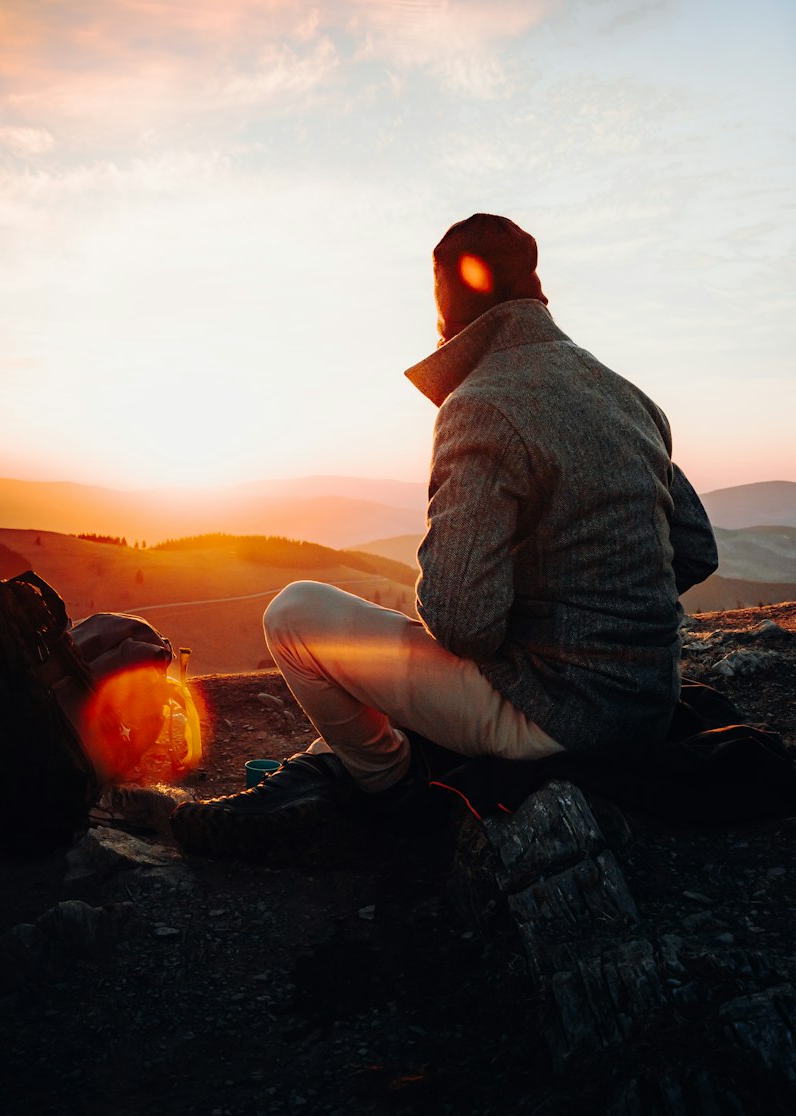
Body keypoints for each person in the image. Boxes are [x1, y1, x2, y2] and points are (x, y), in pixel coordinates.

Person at [170, 213, 718, 857]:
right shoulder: (627, 395)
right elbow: (695, 549)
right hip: (648, 703)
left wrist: (534, 624)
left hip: (559, 717)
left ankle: (386, 787)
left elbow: (462, 624)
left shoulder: (480, 404)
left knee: (294, 614)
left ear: (446, 303)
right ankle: (357, 769)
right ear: (535, 289)